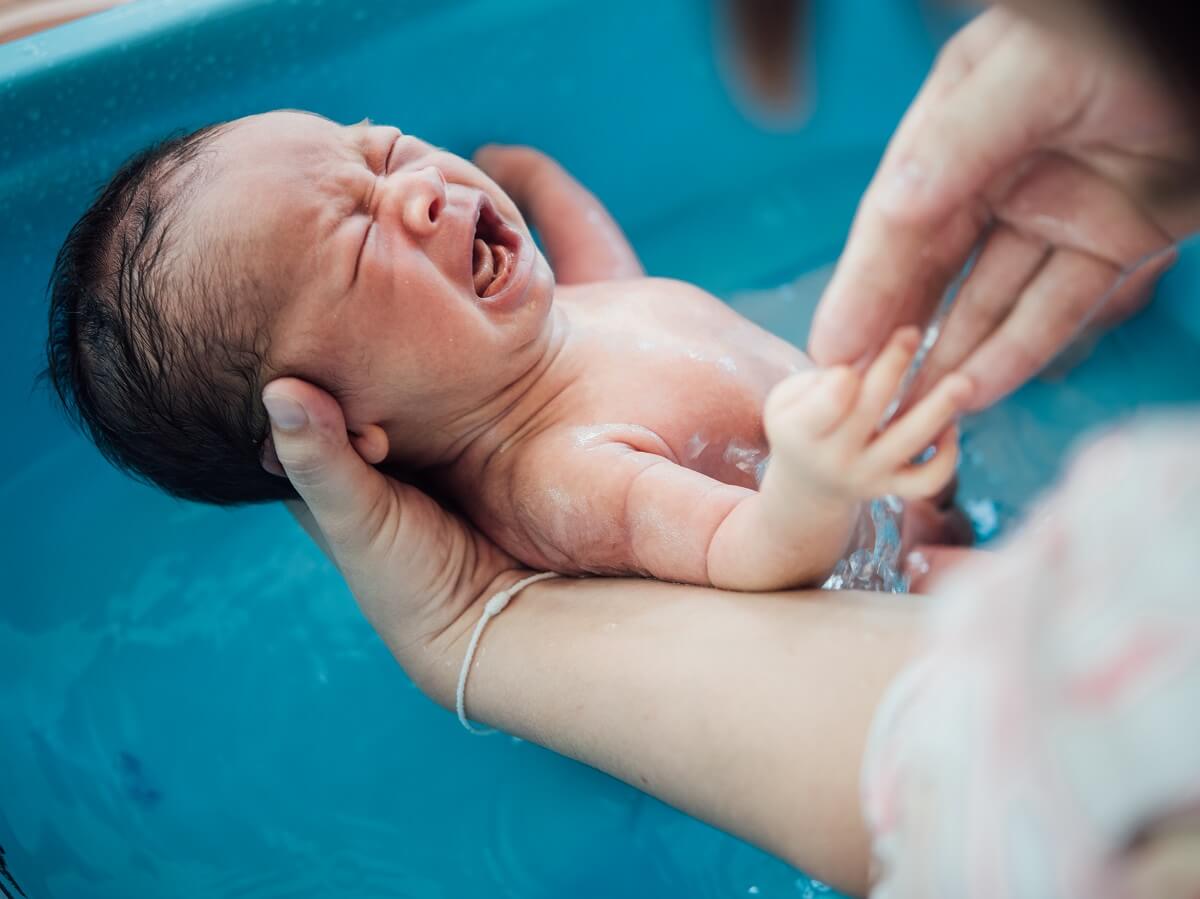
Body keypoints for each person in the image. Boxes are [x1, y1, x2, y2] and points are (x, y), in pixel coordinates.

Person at [46, 110, 970, 591]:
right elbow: (748, 551)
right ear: (345, 426)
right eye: (363, 244)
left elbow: (619, 283)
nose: (419, 189)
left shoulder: (549, 326)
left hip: (888, 472)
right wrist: (812, 483)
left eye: (377, 149)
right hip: (893, 572)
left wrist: (539, 183)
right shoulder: (560, 476)